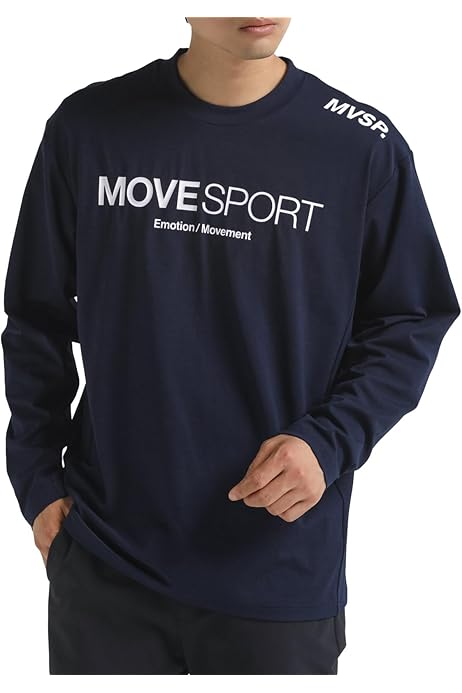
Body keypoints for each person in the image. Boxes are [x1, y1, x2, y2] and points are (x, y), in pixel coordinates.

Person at [1, 16, 460, 676]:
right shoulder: (90, 127)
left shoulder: (360, 147)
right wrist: (38, 483)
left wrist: (328, 441)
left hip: (277, 566)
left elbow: (410, 318)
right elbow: (35, 317)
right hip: (105, 560)